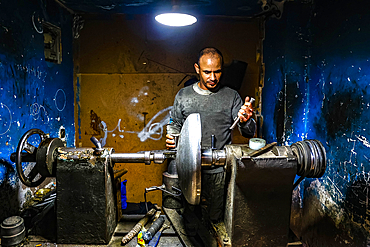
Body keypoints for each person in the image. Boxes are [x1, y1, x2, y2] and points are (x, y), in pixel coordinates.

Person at [166, 47, 256, 223]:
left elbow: (249, 132)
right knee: (188, 219)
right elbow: (174, 124)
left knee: (215, 220)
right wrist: (171, 137)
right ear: (197, 69)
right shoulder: (183, 96)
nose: (213, 78)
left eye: (217, 72)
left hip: (219, 172)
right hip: (189, 171)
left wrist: (245, 120)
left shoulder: (231, 97)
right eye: (207, 72)